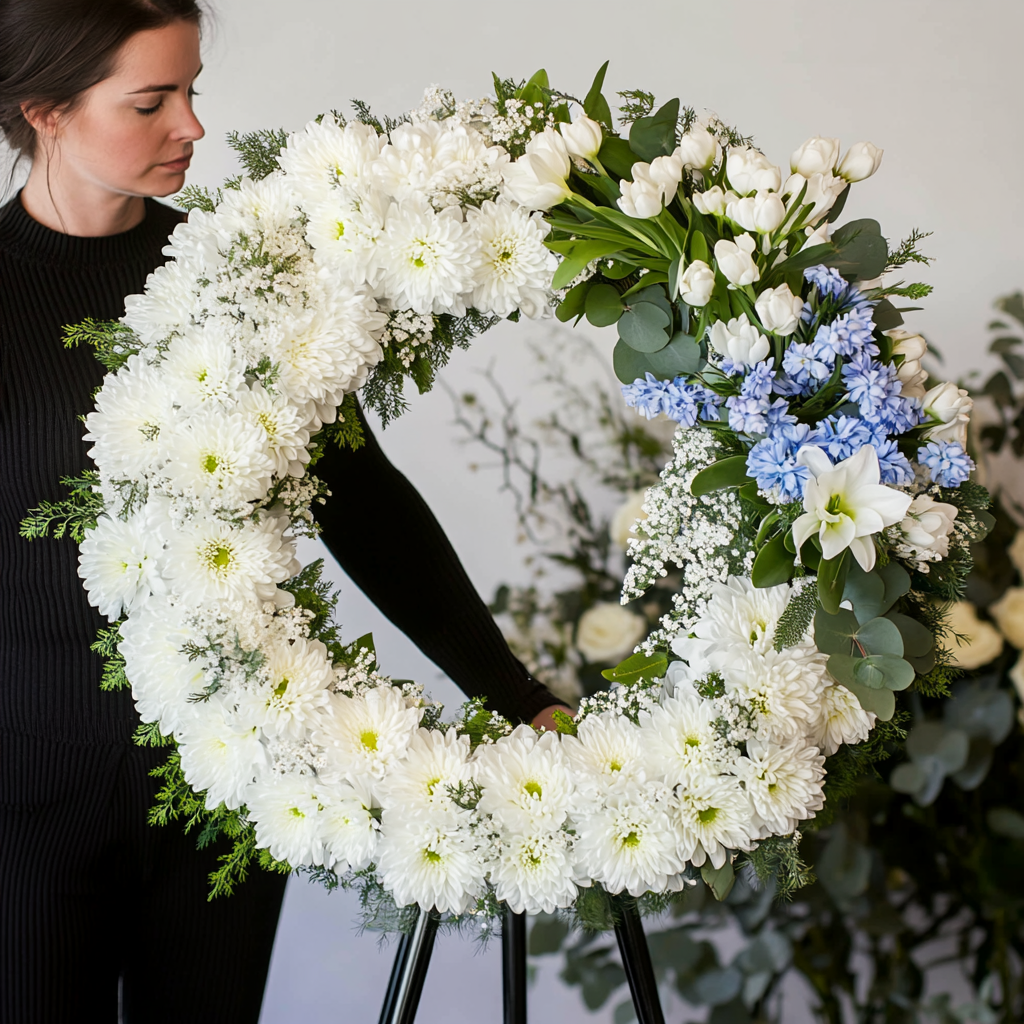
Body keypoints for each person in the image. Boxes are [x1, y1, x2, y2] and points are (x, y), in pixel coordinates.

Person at [0, 2, 569, 1020]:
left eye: (192, 89)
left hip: (228, 796)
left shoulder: (239, 289)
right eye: (151, 100)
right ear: (46, 110)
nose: (193, 127)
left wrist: (516, 693)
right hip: (21, 811)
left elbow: (365, 507)